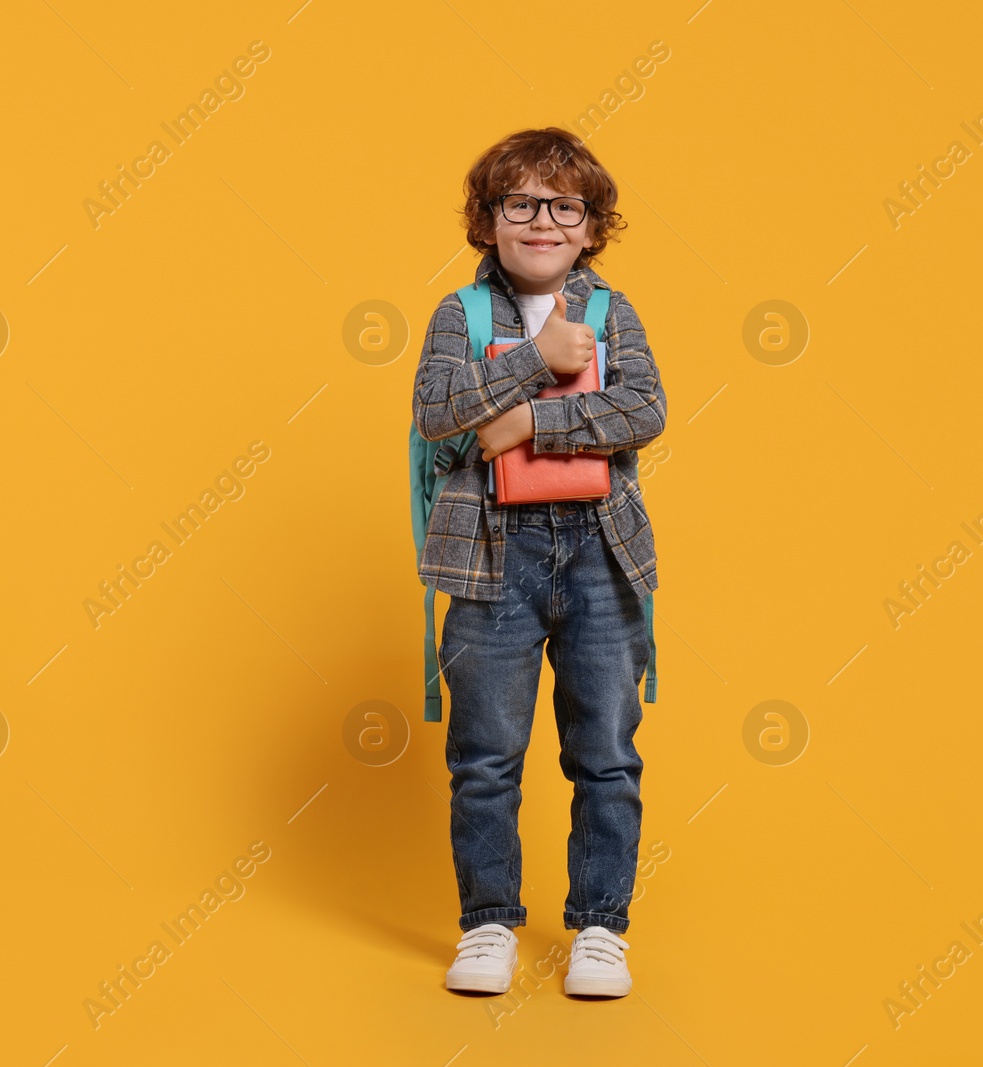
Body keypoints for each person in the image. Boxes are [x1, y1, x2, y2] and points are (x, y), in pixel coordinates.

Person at [411, 127, 666, 998]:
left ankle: (602, 925)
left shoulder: (611, 314)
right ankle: (488, 923)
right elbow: (439, 413)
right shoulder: (460, 314)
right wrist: (537, 362)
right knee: (486, 754)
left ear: (592, 226)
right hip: (489, 562)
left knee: (605, 751)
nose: (544, 221)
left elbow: (644, 409)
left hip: (601, 553)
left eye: (566, 206)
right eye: (520, 204)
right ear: (488, 222)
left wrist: (527, 423)